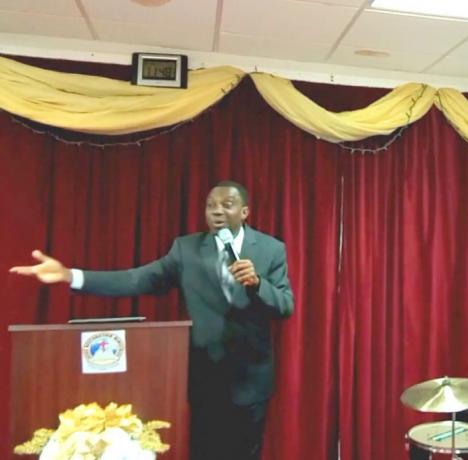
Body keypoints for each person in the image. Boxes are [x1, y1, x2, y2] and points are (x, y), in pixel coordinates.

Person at [10, 180, 294, 460]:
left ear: (244, 212)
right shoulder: (186, 249)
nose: (217, 211)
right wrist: (71, 275)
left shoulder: (270, 249)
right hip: (203, 378)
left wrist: (258, 284)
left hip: (250, 379)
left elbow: (285, 305)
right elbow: (136, 279)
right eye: (210, 206)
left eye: (227, 205)